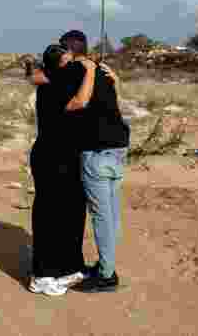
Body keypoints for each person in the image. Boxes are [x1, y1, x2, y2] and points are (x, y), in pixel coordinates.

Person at [58, 30, 130, 293]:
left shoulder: (79, 71)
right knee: (111, 213)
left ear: (68, 51)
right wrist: (116, 84)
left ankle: (107, 275)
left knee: (101, 215)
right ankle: (105, 265)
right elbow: (114, 107)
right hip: (119, 147)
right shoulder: (104, 71)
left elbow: (78, 103)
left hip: (97, 151)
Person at [27, 44, 89, 296]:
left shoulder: (56, 79)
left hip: (67, 156)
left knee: (70, 212)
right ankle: (41, 275)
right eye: (68, 61)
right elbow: (79, 101)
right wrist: (92, 70)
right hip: (51, 157)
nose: (73, 64)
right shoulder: (52, 85)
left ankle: (66, 267)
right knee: (49, 215)